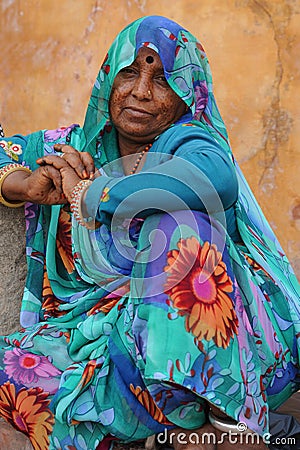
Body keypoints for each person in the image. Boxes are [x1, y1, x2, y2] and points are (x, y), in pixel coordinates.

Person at [0, 15, 299, 450]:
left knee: (183, 221)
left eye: (162, 79)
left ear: (184, 96)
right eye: (129, 72)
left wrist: (93, 194)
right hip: (98, 337)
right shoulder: (76, 146)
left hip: (217, 355)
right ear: (108, 79)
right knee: (25, 379)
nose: (141, 91)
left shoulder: (189, 142)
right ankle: (162, 425)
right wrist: (22, 183)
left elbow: (215, 178)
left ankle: (224, 424)